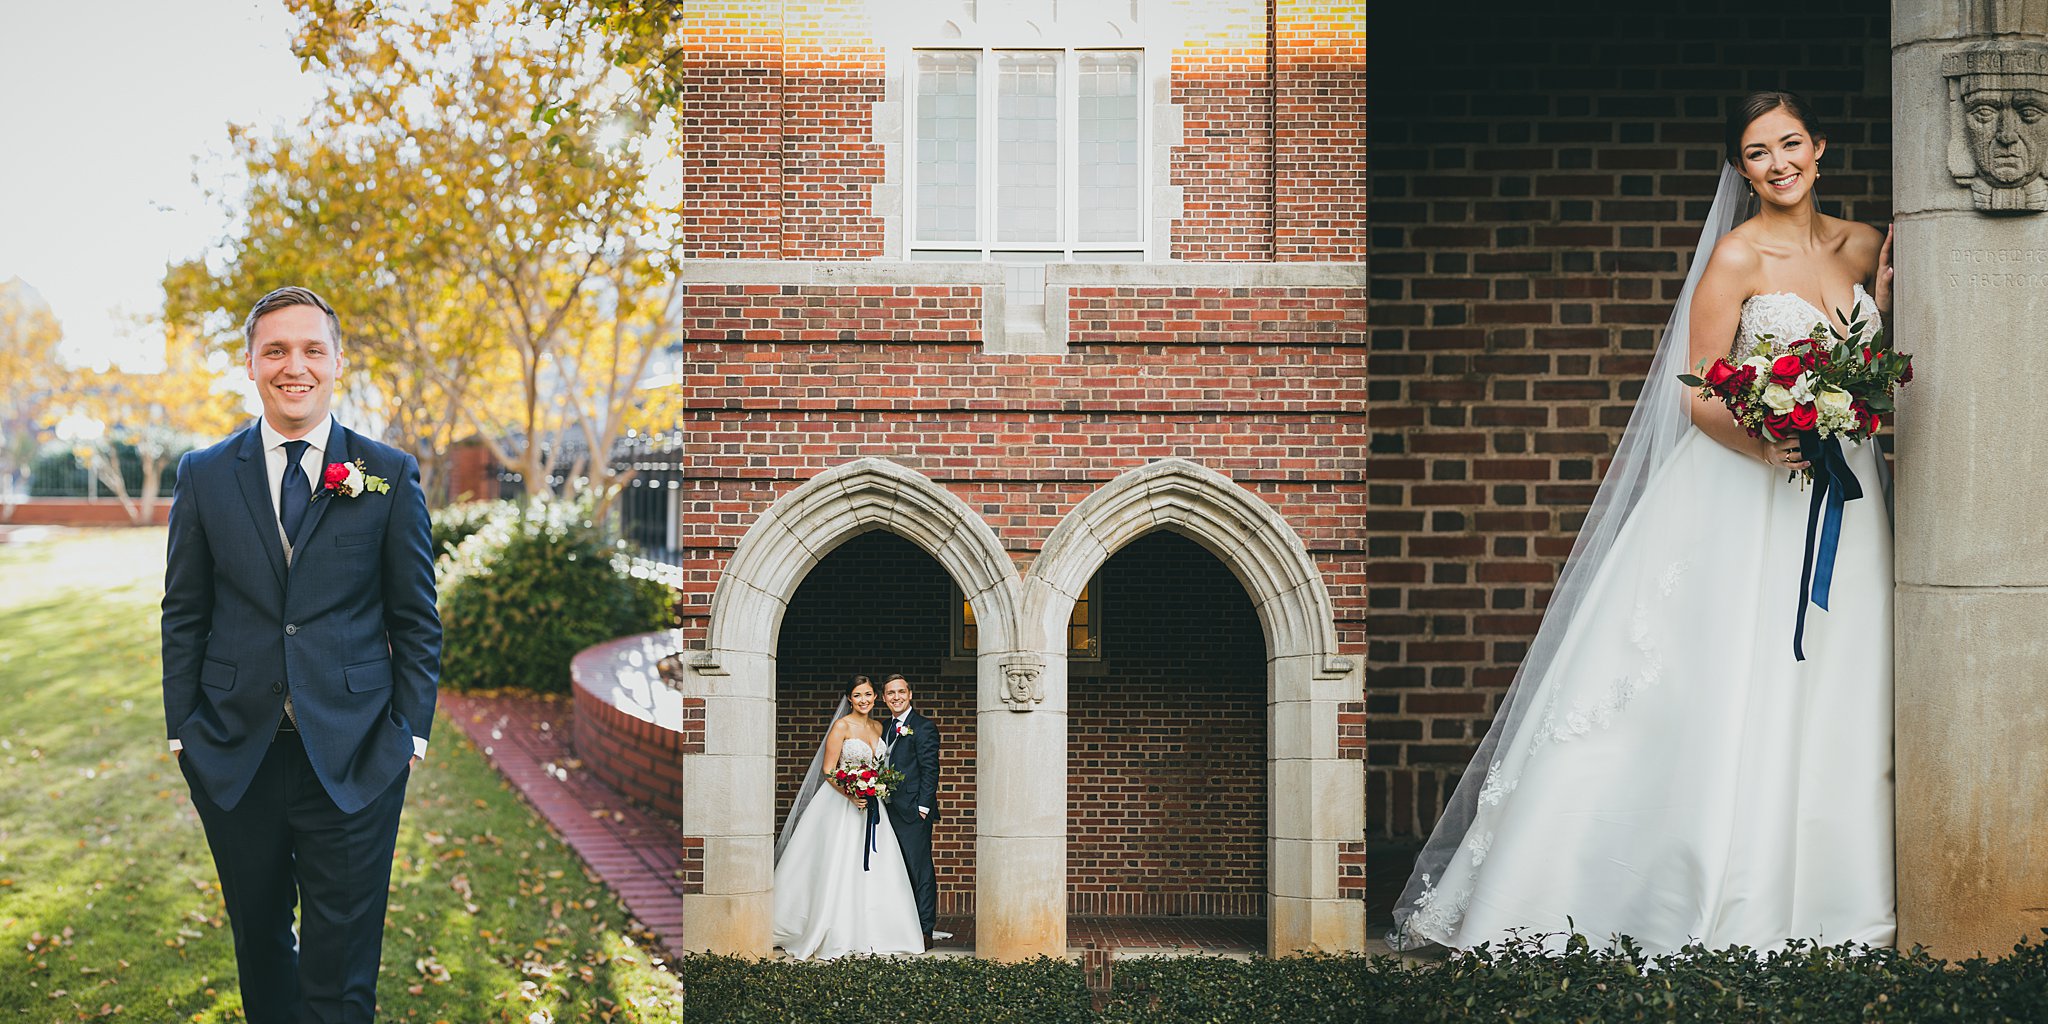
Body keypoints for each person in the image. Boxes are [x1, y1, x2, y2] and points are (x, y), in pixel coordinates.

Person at [1388, 92, 1897, 955]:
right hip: (1749, 491)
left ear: (1820, 148)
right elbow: (1699, 391)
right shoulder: (1737, 258)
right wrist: (1772, 441)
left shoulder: (1871, 245)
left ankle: (1826, 900)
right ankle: (1664, 887)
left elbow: (1880, 365)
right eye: (1757, 152)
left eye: (1790, 144)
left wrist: (1867, 359)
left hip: (1847, 491)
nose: (1778, 163)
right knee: (1726, 680)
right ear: (1741, 170)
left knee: (1838, 681)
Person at [162, 286, 440, 1020]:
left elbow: (416, 620)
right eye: (276, 349)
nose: (296, 366)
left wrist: (408, 734)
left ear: (338, 363)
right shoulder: (203, 474)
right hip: (233, 753)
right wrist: (181, 729)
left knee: (342, 967)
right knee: (260, 946)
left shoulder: (387, 473)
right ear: (250, 364)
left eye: (312, 349)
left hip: (355, 758)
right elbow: (185, 611)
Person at [771, 675, 925, 959]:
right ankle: (832, 928)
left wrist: (876, 786)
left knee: (878, 867)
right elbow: (829, 770)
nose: (864, 700)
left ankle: (878, 931)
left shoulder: (880, 726)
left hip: (873, 804)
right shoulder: (841, 727)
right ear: (849, 699)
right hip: (841, 804)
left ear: (875, 697)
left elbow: (882, 766)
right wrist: (851, 793)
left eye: (868, 695)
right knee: (838, 865)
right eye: (857, 696)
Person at [877, 673, 942, 944]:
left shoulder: (923, 727)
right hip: (884, 810)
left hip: (913, 812)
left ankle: (925, 929)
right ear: (884, 698)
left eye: (901, 692)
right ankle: (899, 924)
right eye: (891, 693)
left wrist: (923, 808)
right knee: (893, 868)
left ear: (910, 694)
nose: (896, 697)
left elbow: (930, 770)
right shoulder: (882, 728)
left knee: (919, 869)